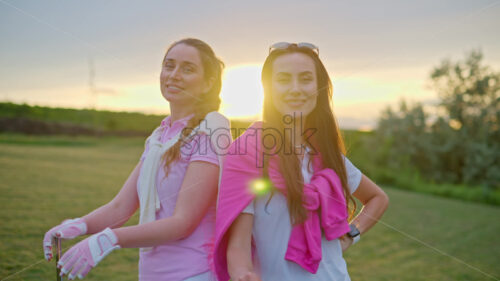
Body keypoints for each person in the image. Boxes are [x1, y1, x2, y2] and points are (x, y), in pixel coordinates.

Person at [43, 38, 231, 281]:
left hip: (195, 273)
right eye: (169, 65)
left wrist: (108, 239)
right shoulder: (160, 136)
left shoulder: (210, 133)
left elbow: (183, 222)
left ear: (208, 83)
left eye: (188, 69)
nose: (174, 75)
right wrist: (79, 225)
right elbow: (121, 207)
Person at [213, 42, 389, 281]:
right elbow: (238, 246)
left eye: (306, 79)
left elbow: (378, 198)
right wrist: (243, 274)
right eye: (283, 79)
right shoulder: (247, 154)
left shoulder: (329, 158)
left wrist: (351, 235)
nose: (295, 89)